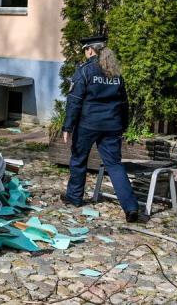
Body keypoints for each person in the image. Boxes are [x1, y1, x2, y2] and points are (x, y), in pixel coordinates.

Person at [60, 35, 141, 223]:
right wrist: (123, 125)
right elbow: (124, 103)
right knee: (114, 165)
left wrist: (68, 126)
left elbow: (75, 101)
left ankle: (74, 197)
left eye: (85, 50)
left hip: (88, 124)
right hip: (112, 125)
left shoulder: (85, 71)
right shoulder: (115, 73)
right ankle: (131, 208)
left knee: (79, 159)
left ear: (90, 50)